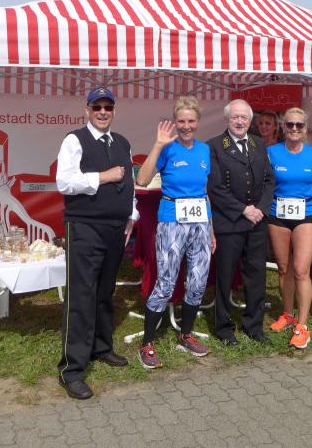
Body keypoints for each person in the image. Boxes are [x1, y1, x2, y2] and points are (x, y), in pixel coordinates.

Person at [55, 87, 137, 400]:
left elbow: (129, 183)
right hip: (85, 227)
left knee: (105, 291)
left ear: (114, 111)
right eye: (97, 107)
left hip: (115, 228)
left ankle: (101, 347)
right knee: (81, 296)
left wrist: (132, 215)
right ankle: (72, 370)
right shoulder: (74, 140)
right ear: (87, 110)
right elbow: (64, 181)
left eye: (108, 107)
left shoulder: (123, 142)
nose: (103, 112)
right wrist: (103, 176)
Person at [135, 96, 215, 368]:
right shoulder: (167, 148)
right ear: (175, 122)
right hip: (172, 222)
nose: (186, 126)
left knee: (197, 281)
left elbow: (205, 192)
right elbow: (142, 179)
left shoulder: (204, 150)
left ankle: (186, 335)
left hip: (201, 223)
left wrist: (211, 230)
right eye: (181, 121)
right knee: (166, 282)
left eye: (191, 121)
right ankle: (147, 343)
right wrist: (158, 145)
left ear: (198, 122)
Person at [207, 99, 274, 346]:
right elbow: (215, 187)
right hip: (230, 222)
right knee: (225, 276)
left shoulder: (258, 144)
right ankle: (224, 329)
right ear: (227, 119)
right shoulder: (214, 146)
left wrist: (261, 209)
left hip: (257, 222)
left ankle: (254, 326)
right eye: (235, 117)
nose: (239, 121)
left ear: (250, 120)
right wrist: (243, 210)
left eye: (244, 117)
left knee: (256, 276)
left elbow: (269, 180)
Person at [266, 108, 312, 348]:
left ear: (305, 128)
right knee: (283, 269)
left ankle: (302, 325)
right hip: (278, 214)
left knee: (301, 270)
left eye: (299, 125)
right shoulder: (272, 152)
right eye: (290, 124)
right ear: (283, 127)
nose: (294, 129)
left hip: (305, 215)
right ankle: (288, 314)